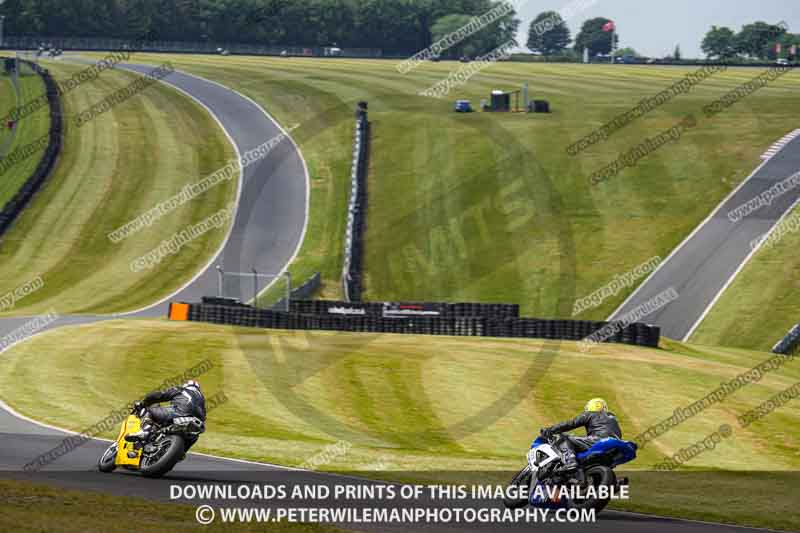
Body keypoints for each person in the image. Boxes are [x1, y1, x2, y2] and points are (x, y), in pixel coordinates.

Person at [540, 398, 622, 482]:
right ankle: (611, 482)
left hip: (597, 441)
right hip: (614, 448)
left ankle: (570, 461)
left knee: (564, 438)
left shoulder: (590, 414)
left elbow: (571, 423)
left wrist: (550, 430)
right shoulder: (612, 418)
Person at [126, 380, 206, 453]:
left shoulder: (182, 390)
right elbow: (204, 416)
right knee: (195, 436)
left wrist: (144, 402)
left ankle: (144, 432)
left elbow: (160, 395)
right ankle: (181, 454)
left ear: (186, 385)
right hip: (195, 423)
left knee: (150, 411)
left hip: (178, 413)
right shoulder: (201, 399)